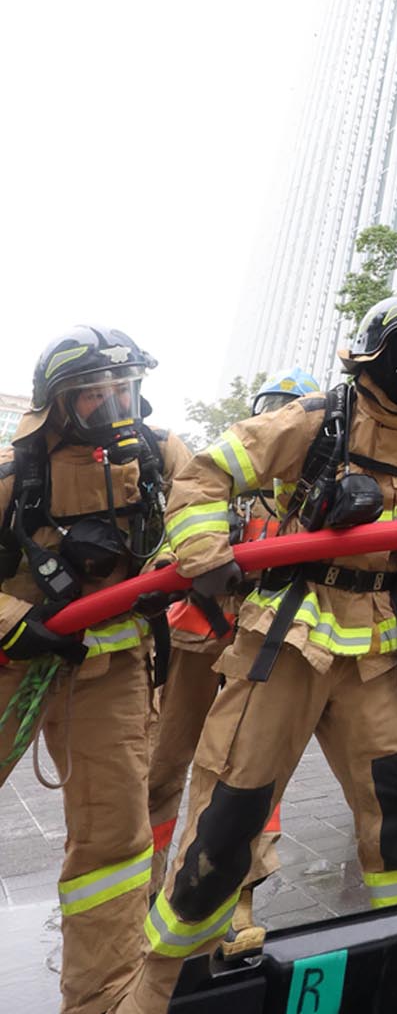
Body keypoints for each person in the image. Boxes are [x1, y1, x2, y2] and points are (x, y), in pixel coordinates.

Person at [122, 297, 397, 1011]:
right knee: (227, 820)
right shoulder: (316, 420)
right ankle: (164, 991)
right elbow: (201, 474)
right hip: (289, 640)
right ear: (379, 357)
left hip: (377, 652)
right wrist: (205, 552)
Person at [0, 327, 191, 1012]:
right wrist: (15, 623)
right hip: (14, 662)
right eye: (94, 395)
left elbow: (210, 509)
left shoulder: (162, 457)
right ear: (59, 405)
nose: (114, 405)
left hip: (110, 671)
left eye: (124, 389)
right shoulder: (17, 472)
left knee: (114, 837)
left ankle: (102, 1000)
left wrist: (197, 555)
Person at [145, 367, 321, 956]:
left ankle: (235, 905)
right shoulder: (223, 481)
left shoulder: (311, 502)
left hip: (259, 652)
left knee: (248, 782)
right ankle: (144, 890)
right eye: (272, 409)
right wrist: (198, 561)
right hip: (198, 647)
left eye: (290, 412)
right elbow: (171, 544)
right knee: (164, 771)